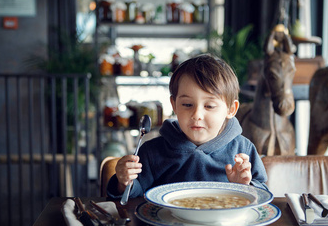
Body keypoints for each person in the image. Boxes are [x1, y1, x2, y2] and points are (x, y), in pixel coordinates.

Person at [106, 54, 268, 199]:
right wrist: (124, 181)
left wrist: (245, 187)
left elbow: (263, 191)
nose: (197, 114)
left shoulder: (243, 149)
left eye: (209, 106)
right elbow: (133, 197)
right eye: (187, 104)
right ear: (174, 105)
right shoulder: (152, 152)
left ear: (230, 109)